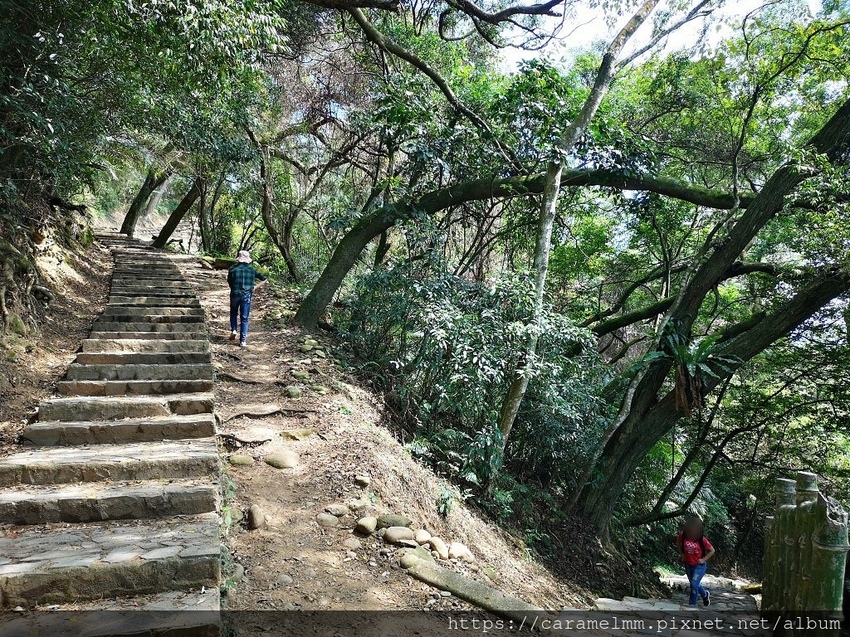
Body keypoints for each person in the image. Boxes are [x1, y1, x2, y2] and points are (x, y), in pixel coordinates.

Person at [227, 250, 267, 347]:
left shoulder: (232, 269)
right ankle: (243, 341)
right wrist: (254, 288)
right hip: (246, 295)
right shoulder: (252, 270)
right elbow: (265, 279)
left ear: (239, 259)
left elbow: (229, 282)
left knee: (233, 312)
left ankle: (234, 329)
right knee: (244, 318)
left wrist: (234, 288)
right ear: (247, 260)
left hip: (235, 294)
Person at [676, 515, 715, 607]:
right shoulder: (683, 535)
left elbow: (712, 550)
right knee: (694, 584)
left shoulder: (702, 540)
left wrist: (704, 559)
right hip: (688, 565)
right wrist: (682, 554)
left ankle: (692, 605)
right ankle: (705, 595)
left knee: (693, 584)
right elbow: (678, 543)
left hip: (699, 566)